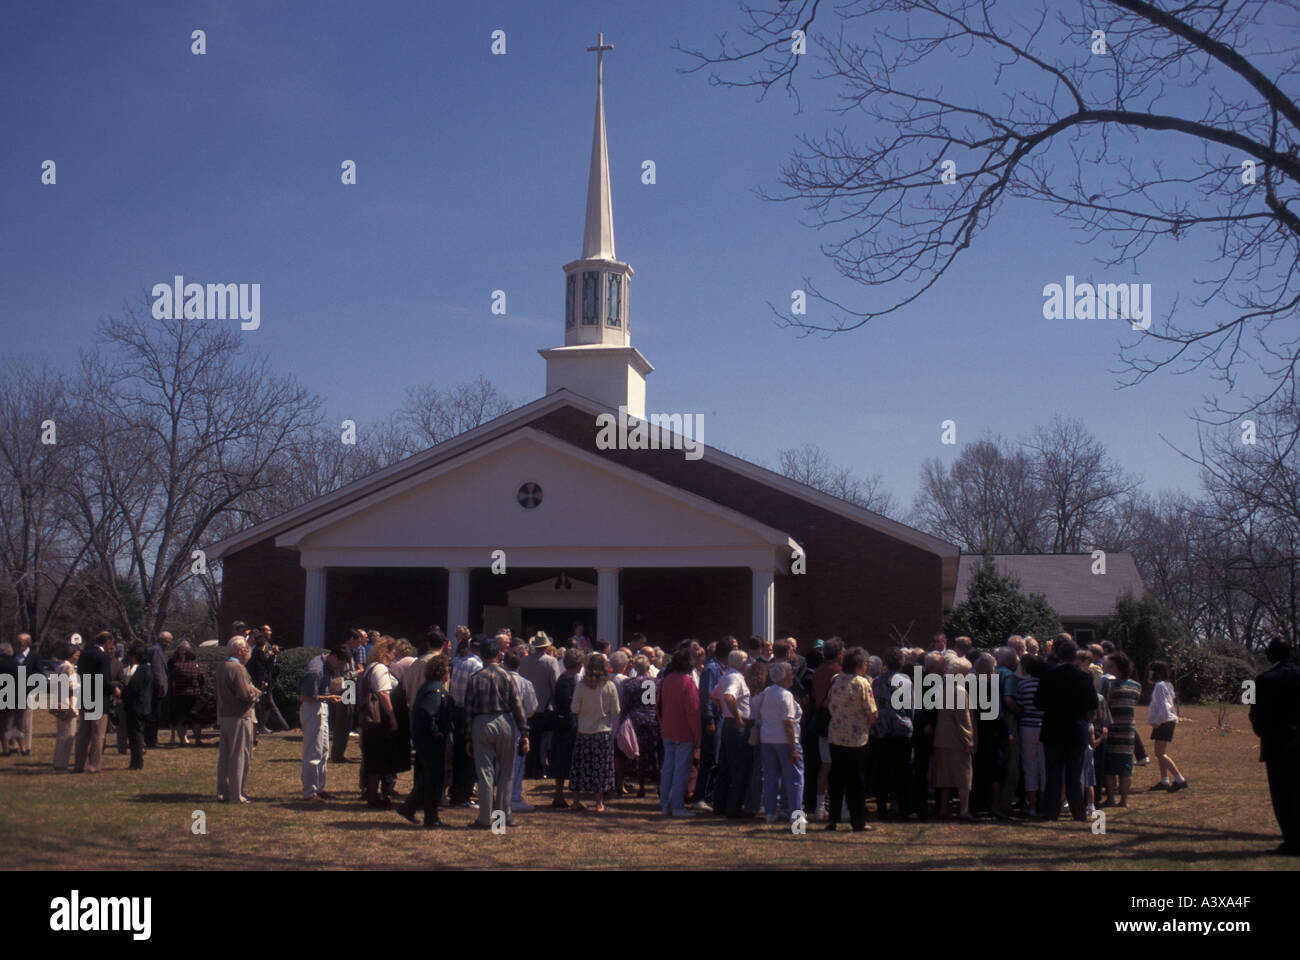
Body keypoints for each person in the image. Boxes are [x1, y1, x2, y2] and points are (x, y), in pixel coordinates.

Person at [464, 637, 529, 827]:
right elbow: (518, 707)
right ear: (497, 654)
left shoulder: (475, 678)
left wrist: (468, 736)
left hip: (481, 722)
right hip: (505, 722)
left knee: (485, 773)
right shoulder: (508, 676)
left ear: (482, 655)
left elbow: (468, 709)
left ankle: (485, 818)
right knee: (506, 773)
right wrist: (524, 732)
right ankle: (502, 819)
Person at [1034, 635, 1097, 821]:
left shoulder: (1048, 676)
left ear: (1059, 655)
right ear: (1075, 656)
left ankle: (1051, 811)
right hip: (1076, 729)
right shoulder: (1085, 678)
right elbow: (1092, 704)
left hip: (1053, 728)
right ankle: (1078, 810)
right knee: (1074, 773)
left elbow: (1038, 702)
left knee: (1052, 773)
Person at [1249, 638, 1300, 855]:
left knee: (1282, 795)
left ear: (1270, 655)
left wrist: (1263, 732)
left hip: (1278, 742)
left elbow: (1253, 712)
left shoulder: (1261, 679)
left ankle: (1292, 840)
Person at [398, 655, 454, 828]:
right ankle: (431, 817)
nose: (448, 673)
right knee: (434, 779)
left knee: (428, 778)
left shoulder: (429, 687)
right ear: (441, 671)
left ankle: (409, 807)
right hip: (431, 741)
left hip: (426, 740)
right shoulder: (434, 690)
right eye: (447, 670)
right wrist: (436, 733)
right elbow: (427, 713)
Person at [825, 647, 878, 831]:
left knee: (837, 779)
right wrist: (868, 724)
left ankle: (833, 818)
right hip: (856, 739)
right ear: (858, 665)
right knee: (856, 782)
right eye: (865, 663)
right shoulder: (862, 683)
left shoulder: (836, 679)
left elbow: (829, 703)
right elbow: (872, 711)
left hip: (836, 736)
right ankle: (858, 821)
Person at [569, 652, 620, 813]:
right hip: (602, 731)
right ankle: (599, 803)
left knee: (580, 766)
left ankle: (576, 800)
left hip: (584, 730)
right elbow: (616, 710)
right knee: (601, 768)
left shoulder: (581, 685)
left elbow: (574, 708)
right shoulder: (609, 686)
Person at [755, 660, 803, 825]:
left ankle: (770, 812)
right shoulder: (786, 695)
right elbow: (788, 723)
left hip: (767, 738)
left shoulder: (767, 691)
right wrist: (793, 748)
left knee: (770, 777)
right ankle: (796, 814)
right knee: (795, 778)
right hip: (785, 740)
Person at [298, 645, 347, 801]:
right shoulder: (316, 670)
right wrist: (329, 698)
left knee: (324, 750)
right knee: (313, 751)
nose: (339, 667)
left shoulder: (326, 664)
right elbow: (305, 697)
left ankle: (319, 788)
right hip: (312, 710)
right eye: (340, 663)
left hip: (321, 708)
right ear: (333, 657)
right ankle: (309, 791)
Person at [657, 645, 701, 817]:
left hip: (668, 730)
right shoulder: (688, 683)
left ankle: (665, 804)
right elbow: (693, 712)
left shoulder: (664, 681)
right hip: (684, 732)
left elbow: (657, 706)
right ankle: (677, 806)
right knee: (681, 770)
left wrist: (663, 724)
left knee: (668, 768)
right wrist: (698, 736)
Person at [870, 646, 913, 820]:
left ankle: (881, 808)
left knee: (882, 771)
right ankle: (903, 809)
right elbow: (910, 708)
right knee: (902, 772)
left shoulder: (877, 681)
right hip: (901, 730)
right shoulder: (905, 681)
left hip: (881, 730)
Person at [216, 635, 260, 802]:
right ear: (241, 651)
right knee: (240, 755)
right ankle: (237, 794)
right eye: (247, 649)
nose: (248, 652)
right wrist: (256, 693)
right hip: (240, 716)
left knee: (225, 757)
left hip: (225, 715)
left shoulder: (222, 666)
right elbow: (245, 694)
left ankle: (223, 792)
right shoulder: (238, 668)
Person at [690, 636, 732, 810]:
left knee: (717, 758)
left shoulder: (723, 669)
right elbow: (706, 696)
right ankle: (700, 796)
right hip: (712, 719)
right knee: (709, 758)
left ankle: (711, 795)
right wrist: (709, 719)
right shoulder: (711, 669)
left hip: (721, 717)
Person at [711, 649, 753, 818]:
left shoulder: (725, 676)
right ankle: (734, 807)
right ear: (742, 664)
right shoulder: (736, 678)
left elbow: (714, 697)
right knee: (739, 767)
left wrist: (727, 712)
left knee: (726, 766)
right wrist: (738, 717)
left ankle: (720, 805)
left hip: (729, 724)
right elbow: (729, 697)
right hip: (737, 725)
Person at [359, 636, 400, 808]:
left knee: (371, 756)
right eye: (393, 653)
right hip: (379, 719)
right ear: (386, 652)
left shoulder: (370, 668)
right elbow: (383, 694)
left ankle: (371, 793)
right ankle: (373, 797)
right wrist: (392, 717)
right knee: (377, 757)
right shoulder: (381, 669)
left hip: (369, 720)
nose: (394, 656)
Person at [447, 628, 483, 809]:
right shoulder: (477, 666)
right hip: (470, 713)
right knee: (469, 757)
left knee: (458, 755)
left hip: (456, 711)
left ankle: (455, 792)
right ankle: (464, 795)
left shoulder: (457, 662)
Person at [73, 632, 118, 774]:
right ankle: (94, 764)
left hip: (85, 696)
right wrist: (114, 689)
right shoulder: (103, 657)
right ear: (107, 642)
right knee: (98, 734)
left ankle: (79, 764)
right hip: (98, 698)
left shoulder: (84, 654)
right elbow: (104, 681)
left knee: (83, 733)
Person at [1101, 651, 1141, 808]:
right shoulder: (1136, 686)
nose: (1107, 668)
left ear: (1118, 667)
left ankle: (1111, 798)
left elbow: (1104, 705)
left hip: (1112, 729)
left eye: (1111, 665)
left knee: (1110, 767)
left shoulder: (1109, 685)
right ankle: (1124, 800)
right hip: (1129, 730)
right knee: (1126, 766)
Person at [810, 638, 844, 820]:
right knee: (841, 765)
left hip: (822, 721)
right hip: (838, 722)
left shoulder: (817, 672)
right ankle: (843, 807)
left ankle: (820, 806)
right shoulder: (840, 673)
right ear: (839, 654)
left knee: (826, 765)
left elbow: (815, 695)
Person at [519, 631, 561, 778]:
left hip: (526, 705)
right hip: (544, 705)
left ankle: (528, 767)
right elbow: (555, 684)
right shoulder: (550, 661)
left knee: (528, 737)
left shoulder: (524, 661)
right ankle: (539, 768)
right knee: (541, 741)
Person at [910, 650, 945, 820]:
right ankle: (920, 806)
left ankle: (939, 805)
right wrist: (926, 723)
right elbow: (917, 705)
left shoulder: (942, 681)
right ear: (933, 665)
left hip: (940, 729)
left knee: (939, 768)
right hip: (924, 730)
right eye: (941, 663)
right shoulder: (922, 681)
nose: (944, 665)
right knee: (921, 768)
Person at [621, 656, 662, 797]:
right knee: (656, 753)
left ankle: (642, 787)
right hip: (653, 719)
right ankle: (659, 785)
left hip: (637, 719)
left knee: (641, 754)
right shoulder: (657, 682)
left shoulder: (630, 683)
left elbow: (626, 704)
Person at [504, 648, 538, 811]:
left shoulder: (497, 680)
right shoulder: (525, 683)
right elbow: (532, 708)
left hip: (500, 724)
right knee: (517, 762)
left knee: (499, 761)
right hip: (518, 726)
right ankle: (513, 797)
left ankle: (501, 796)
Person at [1146, 660, 1188, 792]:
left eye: (1151, 670)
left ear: (1156, 672)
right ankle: (1164, 780)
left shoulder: (1160, 686)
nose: (1149, 672)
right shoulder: (1167, 685)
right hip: (1166, 721)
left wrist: (1157, 721)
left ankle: (1179, 779)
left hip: (1164, 722)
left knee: (1160, 753)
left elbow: (1164, 709)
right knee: (1160, 753)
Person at [550, 646, 582, 808]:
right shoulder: (565, 681)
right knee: (563, 760)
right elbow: (566, 703)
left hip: (566, 724)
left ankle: (560, 794)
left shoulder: (569, 679)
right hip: (565, 725)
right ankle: (559, 795)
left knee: (564, 760)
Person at [122, 642, 155, 770]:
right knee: (137, 733)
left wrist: (123, 693)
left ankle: (136, 761)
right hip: (144, 705)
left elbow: (133, 687)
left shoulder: (141, 669)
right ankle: (136, 761)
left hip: (136, 706)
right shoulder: (148, 668)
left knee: (135, 735)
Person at [168, 642, 206, 745]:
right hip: (194, 694)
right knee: (196, 719)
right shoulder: (198, 666)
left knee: (181, 719)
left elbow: (171, 679)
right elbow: (202, 680)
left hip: (179, 694)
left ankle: (182, 741)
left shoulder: (176, 666)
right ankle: (197, 740)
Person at [51, 640, 80, 771]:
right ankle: (61, 763)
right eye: (76, 655)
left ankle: (59, 761)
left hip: (62, 702)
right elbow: (67, 687)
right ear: (71, 655)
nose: (78, 658)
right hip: (67, 704)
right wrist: (71, 705)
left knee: (63, 734)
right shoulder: (67, 667)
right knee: (67, 735)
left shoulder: (61, 666)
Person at [145, 632, 171, 749]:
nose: (168, 644)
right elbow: (157, 669)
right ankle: (151, 740)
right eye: (167, 641)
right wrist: (160, 686)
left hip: (156, 688)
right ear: (161, 640)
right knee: (154, 715)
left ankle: (151, 739)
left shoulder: (158, 650)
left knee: (155, 715)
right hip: (156, 689)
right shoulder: (156, 650)